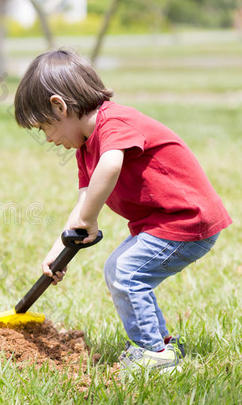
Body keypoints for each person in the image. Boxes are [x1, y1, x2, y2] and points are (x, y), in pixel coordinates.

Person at [13, 49, 231, 373]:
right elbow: (82, 206)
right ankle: (161, 345)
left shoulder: (114, 122)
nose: (47, 138)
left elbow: (112, 163)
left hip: (187, 219)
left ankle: (152, 354)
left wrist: (89, 218)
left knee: (126, 271)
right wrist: (57, 249)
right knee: (121, 269)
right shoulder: (85, 149)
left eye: (45, 127)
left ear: (60, 106)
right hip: (162, 223)